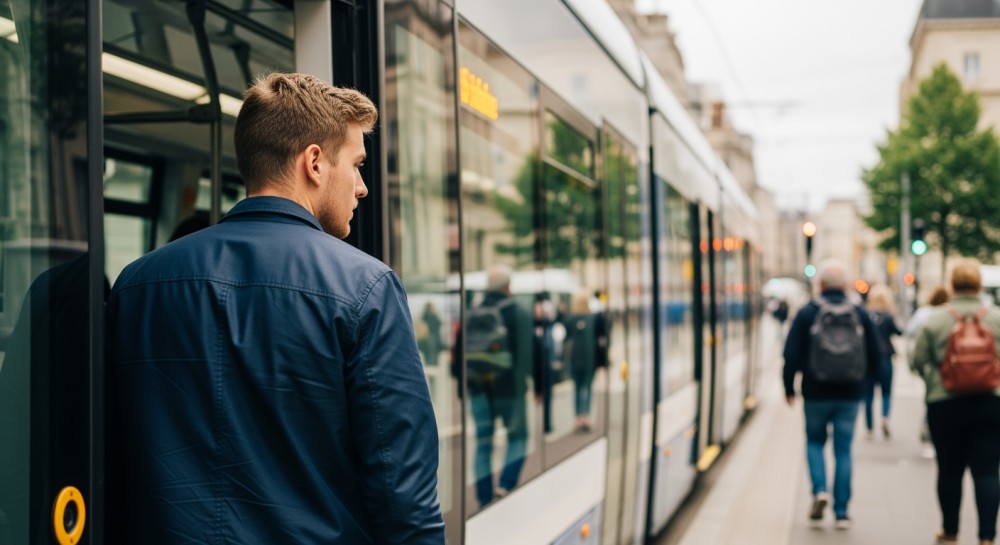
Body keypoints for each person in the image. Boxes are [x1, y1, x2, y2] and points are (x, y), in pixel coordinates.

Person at [106, 73, 445, 544]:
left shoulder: (136, 284)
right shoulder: (366, 287)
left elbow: (113, 460)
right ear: (314, 163)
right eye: (357, 164)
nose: (362, 187)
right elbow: (403, 493)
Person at [783, 258, 880, 530]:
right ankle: (841, 512)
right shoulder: (860, 313)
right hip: (850, 392)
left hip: (815, 391)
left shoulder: (807, 312)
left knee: (814, 442)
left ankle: (819, 490)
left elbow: (790, 354)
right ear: (847, 285)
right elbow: (876, 354)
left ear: (820, 284)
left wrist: (788, 387)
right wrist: (864, 383)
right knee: (844, 450)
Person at [911, 259, 1000, 545]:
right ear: (979, 285)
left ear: (952, 285)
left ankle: (950, 531)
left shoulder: (936, 318)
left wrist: (933, 378)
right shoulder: (996, 318)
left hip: (944, 403)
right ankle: (987, 537)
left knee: (949, 469)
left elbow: (917, 361)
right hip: (990, 402)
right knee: (987, 470)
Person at [458, 264, 535, 507]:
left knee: (483, 442)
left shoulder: (473, 312)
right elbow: (527, 354)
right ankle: (506, 484)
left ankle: (483, 496)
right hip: (509, 389)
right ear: (507, 286)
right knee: (518, 437)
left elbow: (458, 354)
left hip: (478, 388)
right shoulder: (517, 312)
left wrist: (464, 387)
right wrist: (535, 386)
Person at [562, 289, 608, 432]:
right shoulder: (595, 318)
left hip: (574, 359)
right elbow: (601, 341)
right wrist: (602, 363)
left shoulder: (570, 319)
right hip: (590, 358)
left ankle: (577, 417)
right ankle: (585, 416)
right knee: (587, 388)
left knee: (576, 388)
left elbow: (566, 338)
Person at [863, 285, 902, 439]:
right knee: (886, 392)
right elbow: (899, 331)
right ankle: (884, 418)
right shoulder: (888, 316)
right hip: (885, 358)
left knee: (868, 394)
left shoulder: (866, 315)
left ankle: (869, 427)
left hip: (868, 359)